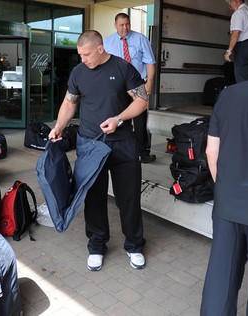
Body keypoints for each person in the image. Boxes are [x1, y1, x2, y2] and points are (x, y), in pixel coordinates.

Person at [48, 30, 148, 271]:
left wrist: (118, 119)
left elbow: (142, 101)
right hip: (90, 143)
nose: (83, 59)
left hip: (123, 142)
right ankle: (96, 245)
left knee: (129, 197)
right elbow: (70, 102)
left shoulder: (123, 68)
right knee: (93, 197)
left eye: (86, 54)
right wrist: (59, 126)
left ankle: (134, 245)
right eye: (80, 54)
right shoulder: (78, 72)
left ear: (100, 48)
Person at [200, 50, 248, 315]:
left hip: (227, 204)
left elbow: (211, 152)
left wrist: (224, 189)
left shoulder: (228, 94)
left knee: (220, 281)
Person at [103, 12, 156, 163]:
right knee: (118, 117)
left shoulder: (140, 39)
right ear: (115, 25)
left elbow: (150, 62)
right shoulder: (107, 42)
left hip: (138, 84)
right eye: (121, 25)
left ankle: (142, 153)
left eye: (127, 24)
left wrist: (149, 82)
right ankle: (119, 150)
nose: (125, 28)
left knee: (140, 120)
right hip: (117, 85)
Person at [224, 0, 248, 83]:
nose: (230, 8)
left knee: (242, 79)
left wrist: (229, 50)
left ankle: (244, 95)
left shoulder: (239, 13)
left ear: (235, 1)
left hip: (244, 47)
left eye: (230, 5)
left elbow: (236, 32)